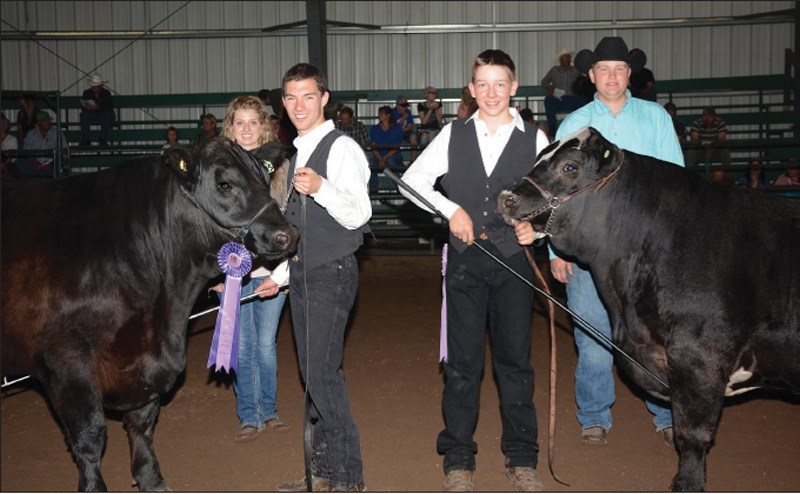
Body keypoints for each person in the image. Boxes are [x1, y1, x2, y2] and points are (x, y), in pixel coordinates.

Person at [401, 48, 550, 492]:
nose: (491, 92)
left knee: (515, 363)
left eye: (499, 83)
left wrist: (537, 230)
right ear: (470, 89)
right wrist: (450, 211)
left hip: (513, 267)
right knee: (463, 365)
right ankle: (459, 456)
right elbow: (412, 182)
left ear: (514, 87)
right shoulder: (453, 134)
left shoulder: (535, 138)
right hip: (465, 266)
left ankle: (522, 457)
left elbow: (554, 199)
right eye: (482, 84)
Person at [548, 36, 684, 448]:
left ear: (630, 74)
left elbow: (675, 178)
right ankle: (594, 414)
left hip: (649, 253)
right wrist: (555, 249)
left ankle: (665, 411)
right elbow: (556, 191)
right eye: (603, 69)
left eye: (619, 69)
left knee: (658, 336)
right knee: (592, 335)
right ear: (590, 76)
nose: (611, 76)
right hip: (590, 252)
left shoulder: (655, 117)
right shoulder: (574, 125)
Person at [272, 62, 371, 493]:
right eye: (291, 97)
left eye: (308, 96)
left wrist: (322, 189)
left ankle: (348, 478)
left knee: (323, 374)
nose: (299, 105)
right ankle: (323, 472)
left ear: (324, 98)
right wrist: (278, 274)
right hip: (303, 272)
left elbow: (360, 214)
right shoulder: (296, 153)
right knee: (314, 375)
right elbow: (298, 227)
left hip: (332, 272)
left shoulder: (341, 148)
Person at [212, 95, 292, 442]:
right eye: (239, 122)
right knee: (242, 346)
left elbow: (289, 222)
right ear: (231, 127)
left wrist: (283, 274)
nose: (246, 129)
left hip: (272, 271)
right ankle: (249, 415)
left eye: (253, 122)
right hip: (232, 272)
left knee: (265, 345)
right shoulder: (217, 168)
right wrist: (214, 276)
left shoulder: (281, 166)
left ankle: (269, 410)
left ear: (264, 126)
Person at [540, 49, 589, 137]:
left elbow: (584, 81)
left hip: (573, 99)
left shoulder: (575, 71)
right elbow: (544, 81)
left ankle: (583, 126)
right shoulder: (554, 70)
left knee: (583, 100)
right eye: (565, 57)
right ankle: (552, 128)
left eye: (569, 57)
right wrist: (549, 87)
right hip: (559, 99)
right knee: (548, 100)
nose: (568, 59)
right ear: (560, 60)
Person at [17, 110, 67, 175]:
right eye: (45, 120)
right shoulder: (31, 134)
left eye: (49, 120)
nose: (49, 122)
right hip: (34, 164)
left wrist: (51, 163)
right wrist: (36, 164)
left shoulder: (57, 132)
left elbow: (64, 150)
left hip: (52, 163)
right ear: (39, 123)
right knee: (20, 163)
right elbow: (26, 152)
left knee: (58, 165)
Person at [367, 105, 404, 192]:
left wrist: (384, 158)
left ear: (388, 115)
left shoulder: (396, 128)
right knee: (371, 163)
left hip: (394, 155)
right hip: (379, 156)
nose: (379, 116)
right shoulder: (375, 129)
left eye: (381, 114)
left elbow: (396, 147)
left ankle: (400, 188)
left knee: (390, 161)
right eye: (379, 114)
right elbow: (373, 146)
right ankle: (374, 189)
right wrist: (380, 158)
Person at [79, 73, 116, 146]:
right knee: (84, 115)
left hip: (103, 114)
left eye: (96, 87)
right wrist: (87, 107)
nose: (94, 88)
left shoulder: (106, 93)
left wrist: (98, 107)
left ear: (100, 86)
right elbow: (83, 106)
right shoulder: (87, 93)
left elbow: (109, 106)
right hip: (91, 114)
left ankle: (102, 138)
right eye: (93, 86)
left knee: (108, 115)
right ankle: (86, 139)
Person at [391, 95, 419, 161]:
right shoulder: (392, 112)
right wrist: (403, 118)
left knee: (413, 136)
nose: (405, 108)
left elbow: (410, 126)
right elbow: (393, 127)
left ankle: (413, 159)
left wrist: (400, 131)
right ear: (397, 105)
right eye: (403, 106)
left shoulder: (408, 112)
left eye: (405, 106)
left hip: (404, 131)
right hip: (393, 133)